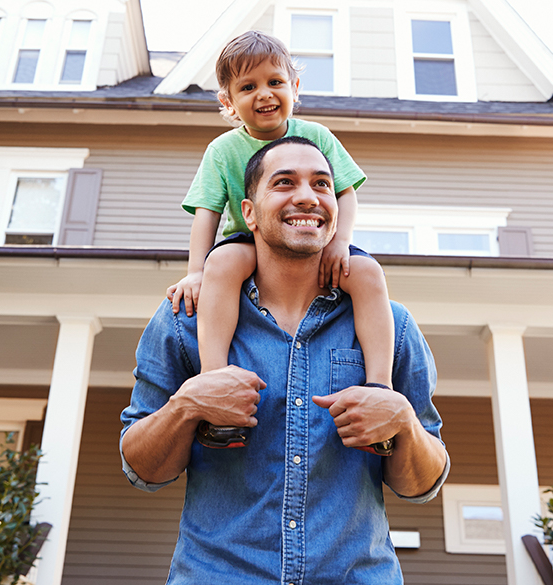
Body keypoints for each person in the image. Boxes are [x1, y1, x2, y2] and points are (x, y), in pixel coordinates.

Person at [122, 137, 450, 585]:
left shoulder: (389, 324)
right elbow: (143, 469)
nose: (307, 196)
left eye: (322, 184)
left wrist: (402, 419)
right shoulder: (184, 323)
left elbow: (422, 483)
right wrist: (186, 406)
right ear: (249, 213)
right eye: (285, 183)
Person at [165, 31, 396, 415]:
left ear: (295, 87)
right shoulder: (222, 150)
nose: (265, 94)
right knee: (221, 265)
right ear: (229, 102)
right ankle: (214, 376)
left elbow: (345, 192)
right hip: (249, 239)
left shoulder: (316, 135)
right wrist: (194, 272)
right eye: (248, 86)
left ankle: (380, 385)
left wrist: (340, 242)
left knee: (368, 273)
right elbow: (207, 211)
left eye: (275, 82)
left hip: (315, 237)